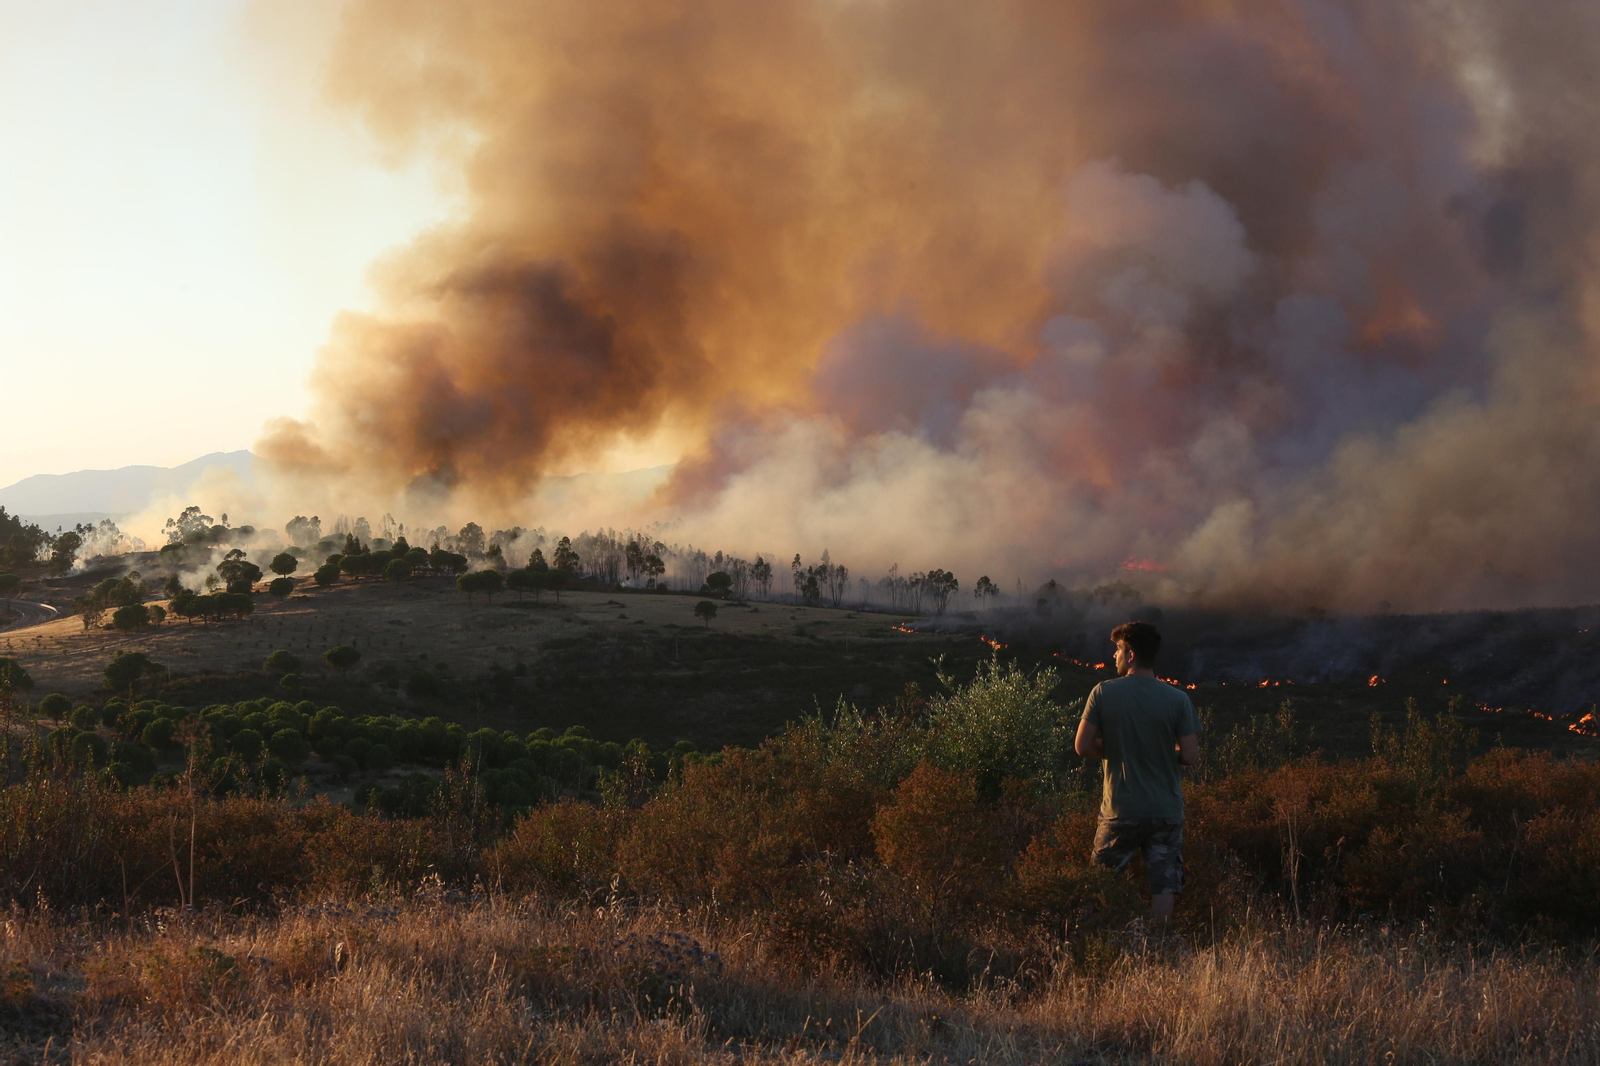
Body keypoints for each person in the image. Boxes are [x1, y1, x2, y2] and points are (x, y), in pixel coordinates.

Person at [1074, 620, 1201, 932]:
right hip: (1165, 811)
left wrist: (1120, 749)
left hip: (1121, 810)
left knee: (1101, 882)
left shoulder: (1102, 693)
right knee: (1163, 882)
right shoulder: (1178, 700)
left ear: (1130, 654)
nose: (1113, 655)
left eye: (1117, 649)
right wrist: (1156, 751)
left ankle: (1099, 941)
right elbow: (1191, 757)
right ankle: (1160, 945)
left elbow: (1082, 746)